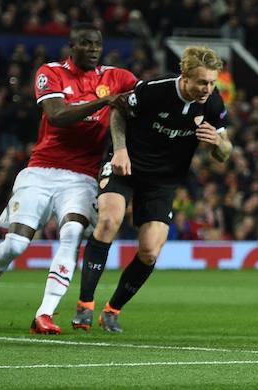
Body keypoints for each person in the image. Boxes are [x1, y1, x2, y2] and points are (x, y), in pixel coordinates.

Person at [0, 23, 136, 334]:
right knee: (15, 244)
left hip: (82, 176)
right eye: (85, 43)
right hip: (41, 170)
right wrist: (104, 102)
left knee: (72, 234)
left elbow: (145, 97)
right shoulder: (50, 72)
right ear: (72, 46)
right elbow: (57, 115)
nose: (92, 49)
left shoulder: (117, 78)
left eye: (97, 44)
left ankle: (44, 313)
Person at [71, 46, 232, 333]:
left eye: (212, 82)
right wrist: (119, 150)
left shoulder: (212, 103)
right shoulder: (154, 89)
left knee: (149, 250)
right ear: (185, 76)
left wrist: (218, 145)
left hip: (163, 180)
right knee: (109, 221)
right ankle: (84, 305)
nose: (208, 88)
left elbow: (225, 151)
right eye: (202, 82)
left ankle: (112, 310)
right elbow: (118, 111)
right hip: (126, 165)